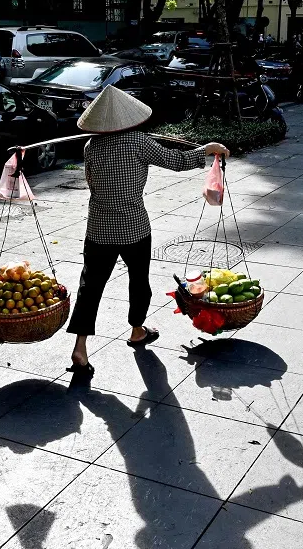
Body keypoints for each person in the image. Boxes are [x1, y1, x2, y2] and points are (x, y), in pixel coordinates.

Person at [67, 86, 229, 375]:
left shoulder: (90, 146)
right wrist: (206, 150)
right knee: (138, 281)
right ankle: (137, 330)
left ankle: (80, 347)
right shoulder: (139, 142)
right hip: (134, 228)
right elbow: (177, 161)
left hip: (99, 229)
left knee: (89, 287)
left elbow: (92, 184)